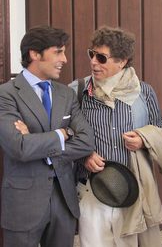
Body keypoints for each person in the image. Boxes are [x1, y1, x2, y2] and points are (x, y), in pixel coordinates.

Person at [70, 26, 162, 247]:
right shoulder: (77, 90)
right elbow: (66, 135)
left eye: (102, 58)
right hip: (91, 189)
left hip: (133, 191)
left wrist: (143, 139)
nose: (93, 62)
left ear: (122, 61)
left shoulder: (144, 92)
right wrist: (84, 155)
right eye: (91, 54)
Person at [0, 26, 95, 247]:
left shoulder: (66, 93)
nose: (64, 59)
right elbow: (19, 148)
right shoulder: (6, 94)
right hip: (24, 205)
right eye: (58, 52)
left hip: (64, 201)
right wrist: (62, 134)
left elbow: (86, 141)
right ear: (35, 53)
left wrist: (43, 139)